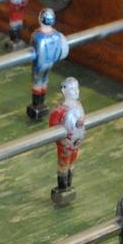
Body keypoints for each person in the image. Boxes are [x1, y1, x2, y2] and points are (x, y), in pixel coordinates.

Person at [48, 77, 86, 206]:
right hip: (65, 145)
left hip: (76, 143)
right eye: (72, 89)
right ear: (64, 91)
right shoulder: (60, 110)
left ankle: (68, 186)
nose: (76, 91)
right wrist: (63, 141)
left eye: (77, 88)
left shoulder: (79, 106)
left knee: (72, 164)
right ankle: (63, 189)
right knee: (64, 165)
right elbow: (53, 125)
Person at [27, 8, 69, 121]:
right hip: (50, 63)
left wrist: (38, 64)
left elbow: (36, 50)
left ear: (40, 19)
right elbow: (57, 52)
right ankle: (42, 104)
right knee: (45, 80)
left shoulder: (37, 36)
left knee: (37, 82)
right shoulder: (56, 35)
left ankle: (36, 105)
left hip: (40, 64)